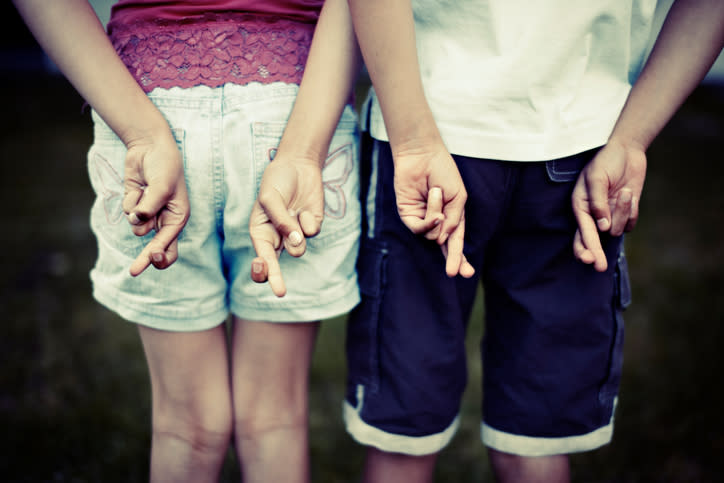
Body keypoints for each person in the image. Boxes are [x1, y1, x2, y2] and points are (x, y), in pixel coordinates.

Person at [342, 0, 724, 482]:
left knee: (405, 428)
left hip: (437, 116)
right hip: (575, 130)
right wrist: (630, 139)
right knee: (531, 438)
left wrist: (413, 137)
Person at [13, 0, 361, 482]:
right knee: (274, 419)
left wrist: (142, 134)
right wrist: (303, 150)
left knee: (186, 426)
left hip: (146, 103)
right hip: (299, 110)